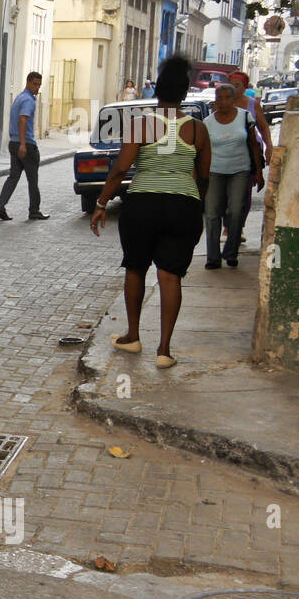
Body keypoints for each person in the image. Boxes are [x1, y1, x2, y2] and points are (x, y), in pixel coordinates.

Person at [91, 55, 210, 368]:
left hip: (142, 204)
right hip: (183, 205)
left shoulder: (141, 124)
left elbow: (119, 170)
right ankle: (165, 351)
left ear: (157, 91)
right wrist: (197, 207)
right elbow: (204, 176)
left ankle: (132, 336)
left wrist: (101, 204)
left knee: (136, 268)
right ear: (185, 94)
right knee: (170, 277)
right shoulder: (198, 130)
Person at [201, 84, 262, 268]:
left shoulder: (245, 117)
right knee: (212, 214)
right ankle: (213, 257)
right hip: (214, 171)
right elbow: (203, 151)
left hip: (240, 170)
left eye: (228, 98)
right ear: (216, 100)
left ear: (234, 99)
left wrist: (258, 172)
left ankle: (231, 252)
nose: (224, 102)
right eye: (220, 98)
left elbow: (253, 144)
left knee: (235, 211)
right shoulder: (207, 122)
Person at [0, 72, 49, 220]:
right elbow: (22, 120)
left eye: (39, 85)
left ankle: (0, 207)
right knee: (33, 180)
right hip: (26, 145)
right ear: (28, 82)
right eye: (35, 84)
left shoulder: (19, 97)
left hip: (14, 143)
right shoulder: (28, 100)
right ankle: (34, 210)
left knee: (13, 177)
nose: (37, 88)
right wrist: (24, 144)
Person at [228, 71, 272, 246]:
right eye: (231, 84)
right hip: (226, 152)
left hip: (249, 151)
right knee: (225, 193)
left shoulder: (252, 104)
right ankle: (227, 227)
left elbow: (263, 127)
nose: (233, 88)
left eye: (237, 85)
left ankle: (239, 226)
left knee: (244, 192)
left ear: (245, 87)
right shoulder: (222, 103)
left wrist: (269, 146)